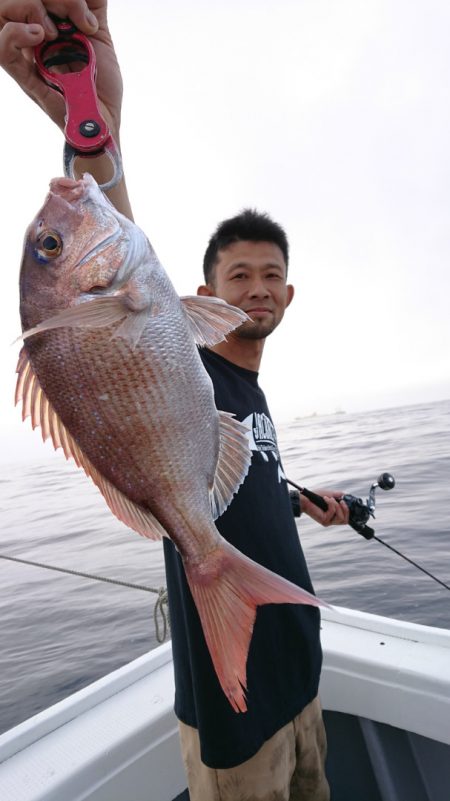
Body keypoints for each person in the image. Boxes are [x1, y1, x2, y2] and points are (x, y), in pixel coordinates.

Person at [0, 3, 349, 798]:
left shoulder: (244, 392)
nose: (256, 290)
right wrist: (94, 124)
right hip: (236, 710)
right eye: (239, 277)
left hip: (300, 671)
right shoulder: (186, 358)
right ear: (201, 294)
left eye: (270, 277)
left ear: (288, 292)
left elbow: (238, 478)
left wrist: (304, 504)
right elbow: (110, 222)